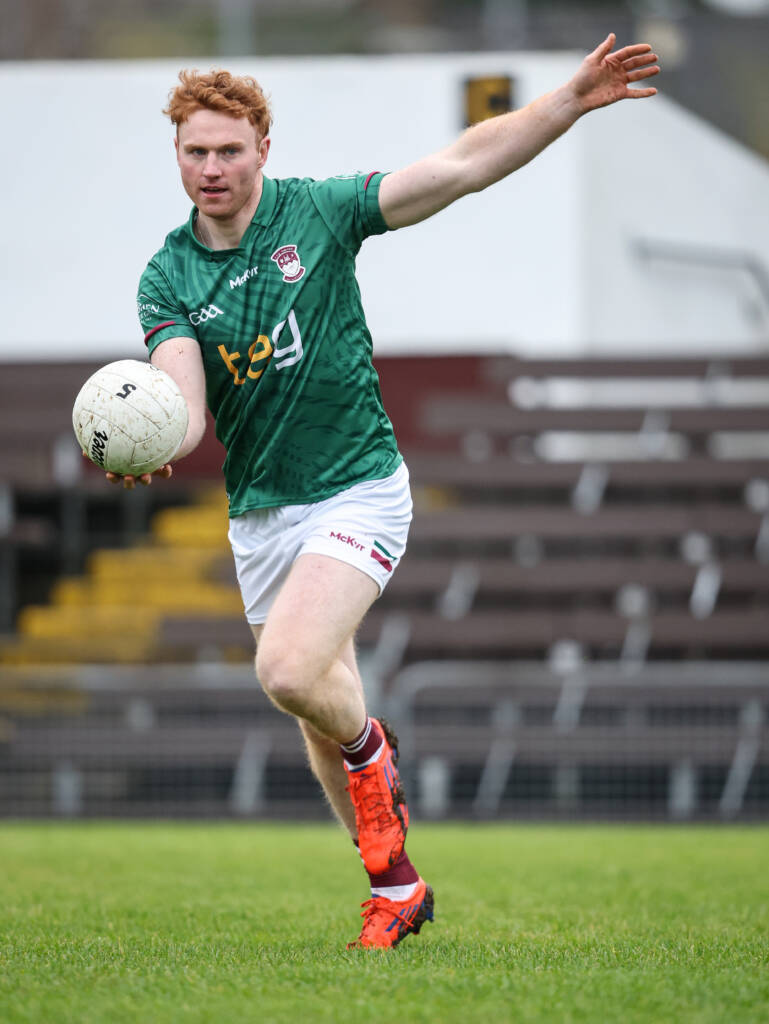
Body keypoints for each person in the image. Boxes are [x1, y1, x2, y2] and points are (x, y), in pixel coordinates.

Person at [110, 34, 659, 949]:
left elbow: (458, 167)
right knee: (312, 705)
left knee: (290, 674)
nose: (212, 168)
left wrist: (566, 101)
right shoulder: (167, 274)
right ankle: (396, 887)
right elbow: (188, 406)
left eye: (229, 150)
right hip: (261, 512)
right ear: (176, 154)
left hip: (357, 488)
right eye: (195, 151)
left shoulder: (318, 213)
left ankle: (373, 749)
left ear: (263, 150)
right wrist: (155, 434)